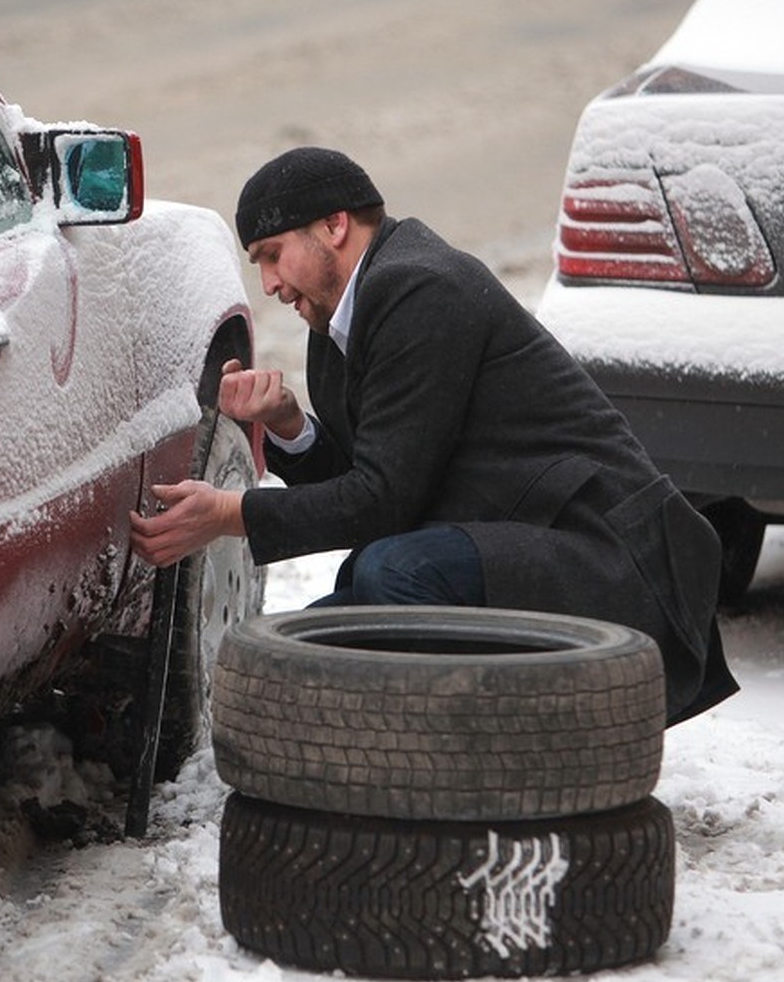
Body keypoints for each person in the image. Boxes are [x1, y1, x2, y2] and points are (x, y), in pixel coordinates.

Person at [130, 146, 737, 724]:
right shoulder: (338, 315)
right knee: (286, 655)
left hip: (611, 558)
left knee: (394, 571)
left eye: (271, 253)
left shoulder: (421, 287)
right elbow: (373, 479)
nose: (267, 283)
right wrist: (289, 424)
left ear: (335, 225)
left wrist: (230, 514)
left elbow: (382, 502)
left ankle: (472, 761)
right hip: (512, 541)